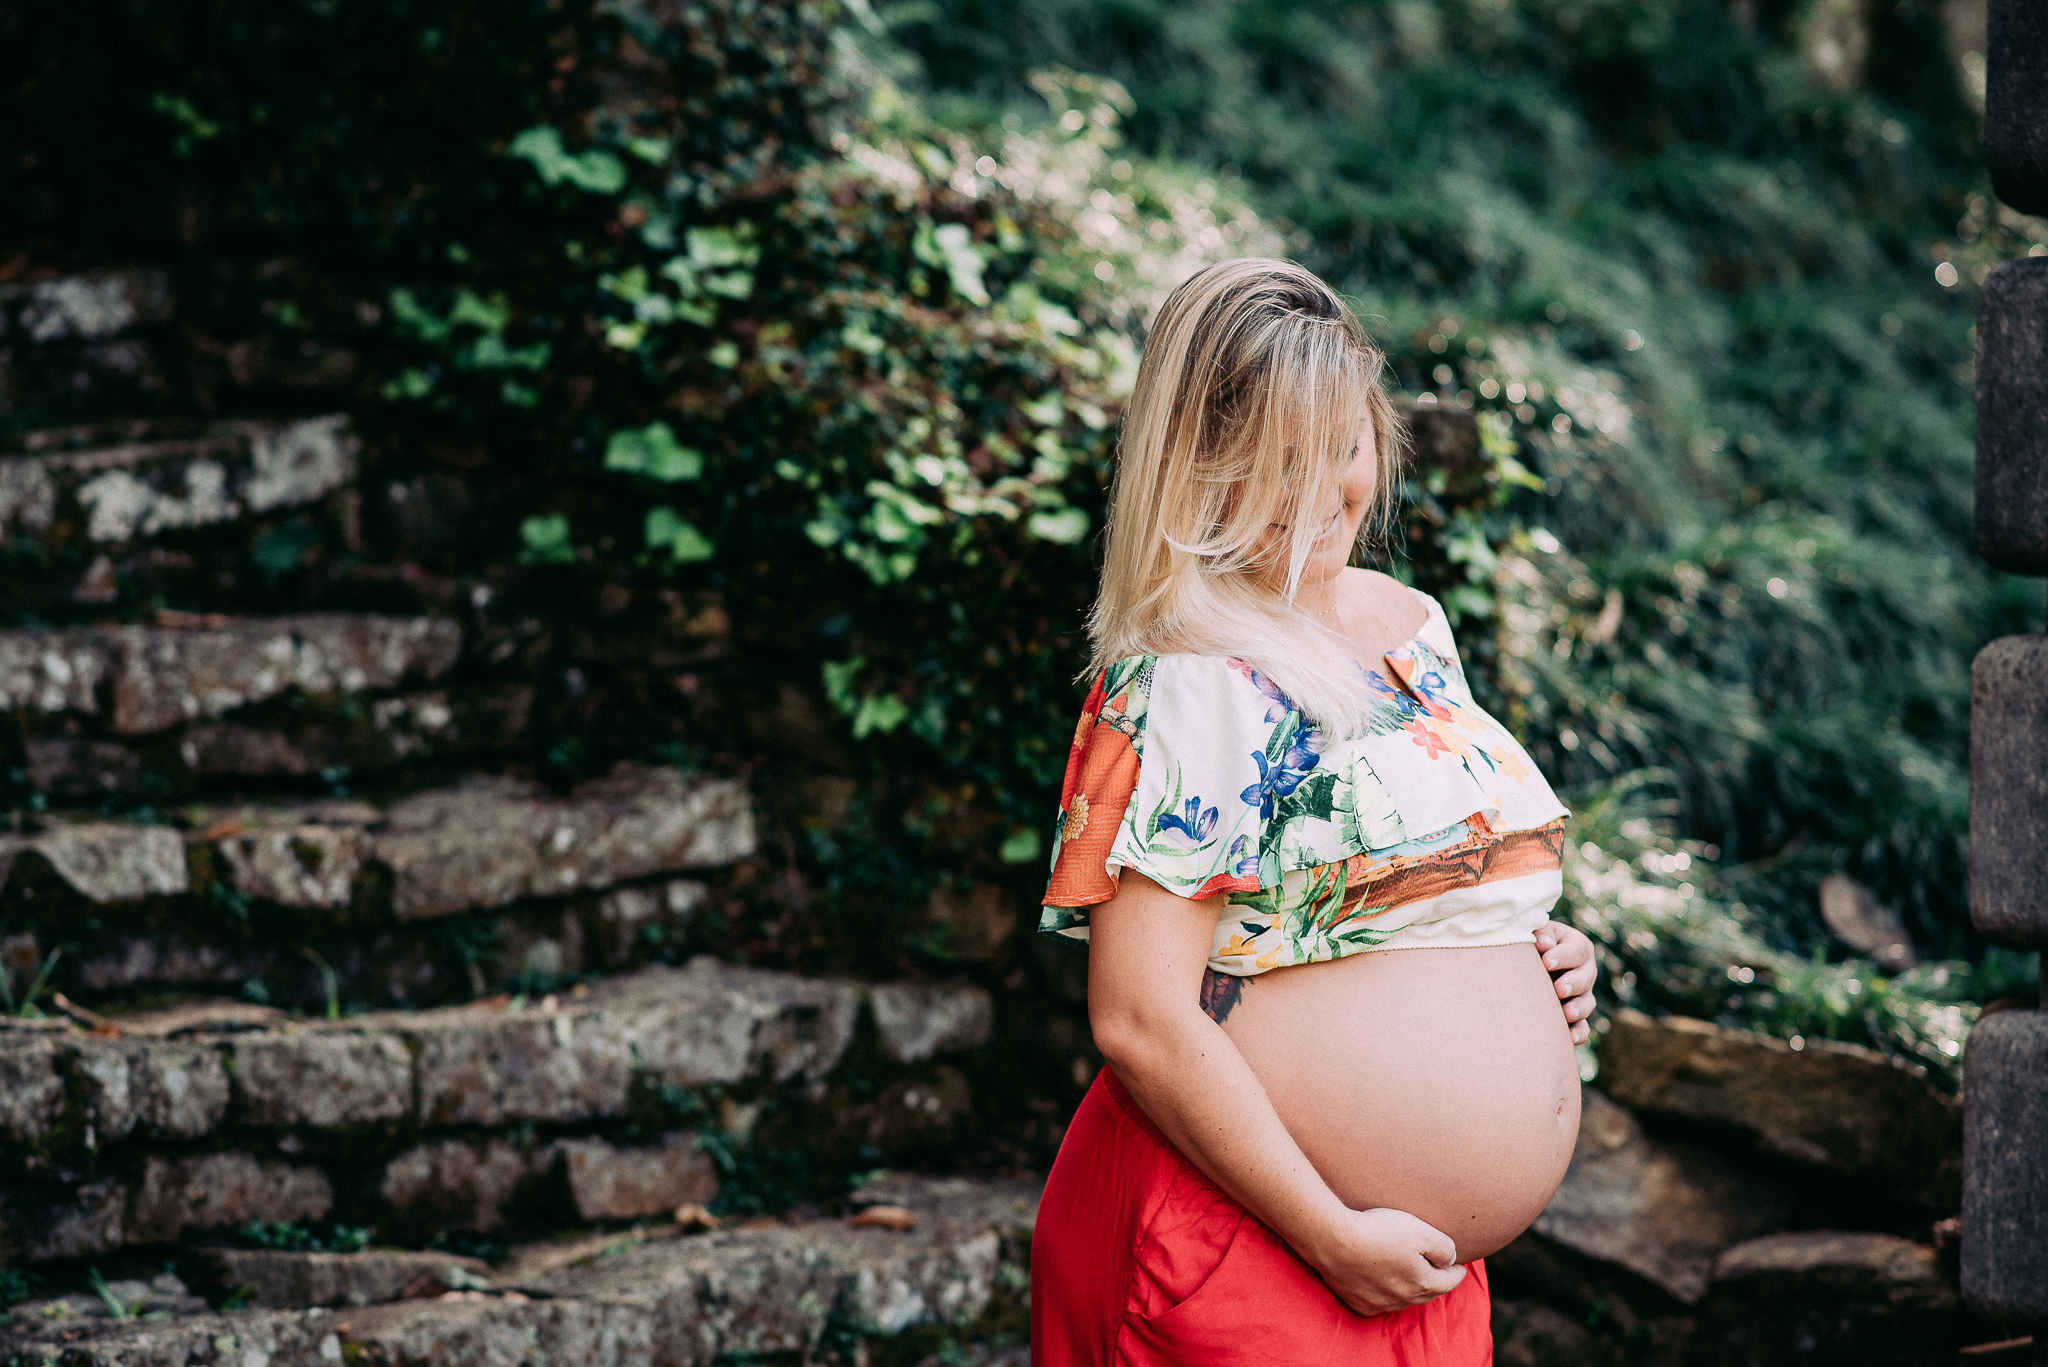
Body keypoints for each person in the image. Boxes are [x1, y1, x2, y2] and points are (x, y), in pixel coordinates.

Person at [1030, 258, 1600, 1366]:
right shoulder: (1185, 671)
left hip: (1408, 1269)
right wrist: (1327, 1230)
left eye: (1340, 445)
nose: (1324, 492)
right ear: (1195, 466)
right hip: (1254, 1244)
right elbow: (1139, 1016)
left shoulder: (1410, 625)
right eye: (1273, 464)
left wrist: (1532, 956)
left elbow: (1399, 895)